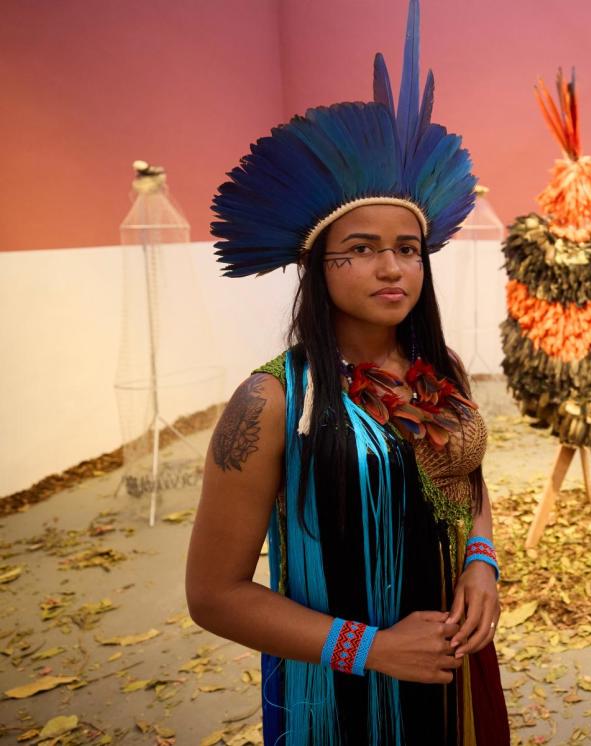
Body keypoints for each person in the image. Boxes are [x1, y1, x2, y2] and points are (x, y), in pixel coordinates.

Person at [184, 2, 508, 743]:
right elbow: (213, 595)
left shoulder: (439, 370)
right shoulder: (270, 402)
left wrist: (481, 563)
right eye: (361, 247)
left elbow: (467, 482)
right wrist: (374, 649)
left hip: (454, 670)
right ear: (315, 263)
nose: (392, 267)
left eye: (408, 248)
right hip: (342, 699)